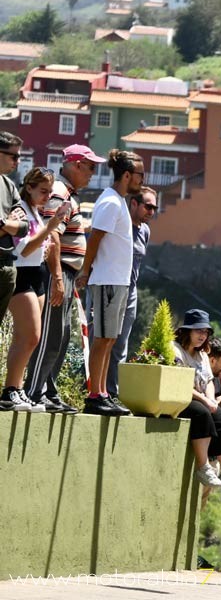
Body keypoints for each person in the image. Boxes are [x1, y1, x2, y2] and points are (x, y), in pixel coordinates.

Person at [23, 144, 104, 413]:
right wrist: (58, 277)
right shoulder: (59, 191)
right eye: (91, 167)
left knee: (60, 335)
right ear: (76, 164)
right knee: (51, 334)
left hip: (65, 273)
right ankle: (34, 391)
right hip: (56, 273)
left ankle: (46, 390)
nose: (94, 173)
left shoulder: (67, 193)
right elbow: (53, 235)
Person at [76, 149, 143, 417]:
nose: (142, 179)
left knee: (109, 340)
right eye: (139, 174)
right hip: (106, 281)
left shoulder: (119, 201)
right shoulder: (111, 202)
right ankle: (95, 395)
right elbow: (94, 239)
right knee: (101, 339)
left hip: (118, 282)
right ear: (126, 175)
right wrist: (85, 271)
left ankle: (103, 392)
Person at [1, 168, 66, 411]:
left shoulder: (37, 213)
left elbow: (37, 247)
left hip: (37, 276)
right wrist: (51, 228)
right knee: (31, 336)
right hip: (22, 276)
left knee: (27, 339)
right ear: (28, 188)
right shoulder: (21, 211)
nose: (47, 196)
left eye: (50, 192)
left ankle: (16, 390)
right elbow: (25, 249)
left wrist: (47, 240)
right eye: (43, 191)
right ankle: (10, 391)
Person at [172, 309, 221, 493]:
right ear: (187, 331)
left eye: (205, 331)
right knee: (202, 413)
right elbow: (180, 382)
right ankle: (203, 467)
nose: (202, 335)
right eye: (198, 330)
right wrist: (205, 400)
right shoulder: (175, 349)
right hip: (182, 398)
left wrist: (210, 399)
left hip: (200, 399)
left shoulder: (203, 355)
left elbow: (207, 380)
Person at [106, 186, 155, 400]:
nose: (151, 212)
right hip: (110, 286)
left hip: (131, 291)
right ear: (134, 203)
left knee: (120, 346)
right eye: (148, 206)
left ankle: (112, 393)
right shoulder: (120, 224)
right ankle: (92, 390)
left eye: (155, 208)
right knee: (102, 341)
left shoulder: (144, 230)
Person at [0, 131, 26, 321]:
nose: (17, 161)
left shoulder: (9, 185)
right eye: (14, 156)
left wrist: (2, 223)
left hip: (8, 265)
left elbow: (24, 226)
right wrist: (10, 223)